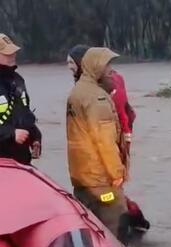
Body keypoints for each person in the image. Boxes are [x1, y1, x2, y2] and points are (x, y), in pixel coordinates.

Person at [67, 45, 150, 234]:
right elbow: (104, 142)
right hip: (101, 181)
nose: (111, 71)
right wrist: (117, 175)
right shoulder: (97, 99)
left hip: (83, 178)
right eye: (107, 67)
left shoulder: (79, 91)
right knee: (115, 219)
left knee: (91, 224)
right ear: (96, 68)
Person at [0, 33, 41, 165]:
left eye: (13, 52)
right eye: (7, 53)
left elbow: (24, 114)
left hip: (20, 161)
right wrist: (11, 135)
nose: (13, 55)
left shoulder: (18, 80)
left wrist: (35, 137)